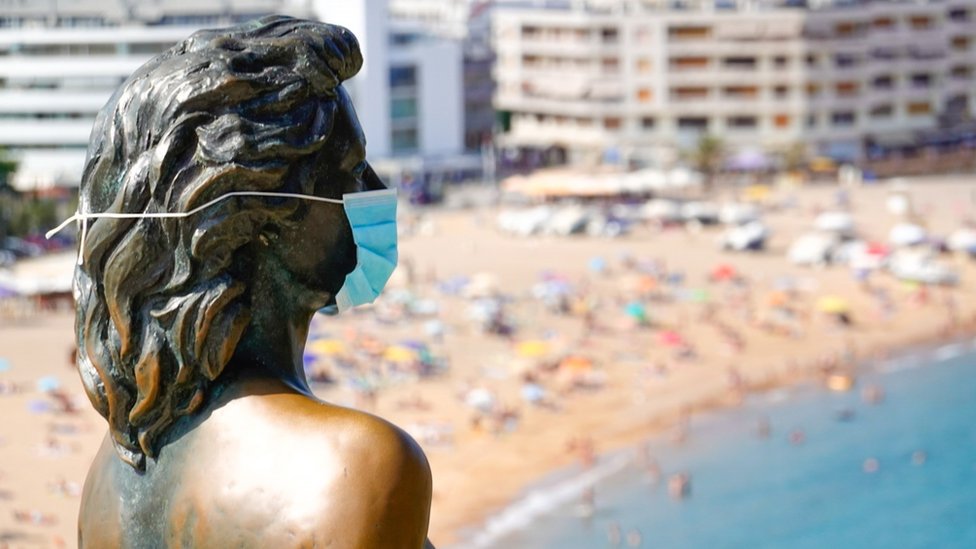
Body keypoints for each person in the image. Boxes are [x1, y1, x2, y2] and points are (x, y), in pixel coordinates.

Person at [60, 17, 433, 548]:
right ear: (256, 221)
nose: (376, 190)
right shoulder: (358, 465)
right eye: (350, 172)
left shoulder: (112, 473)